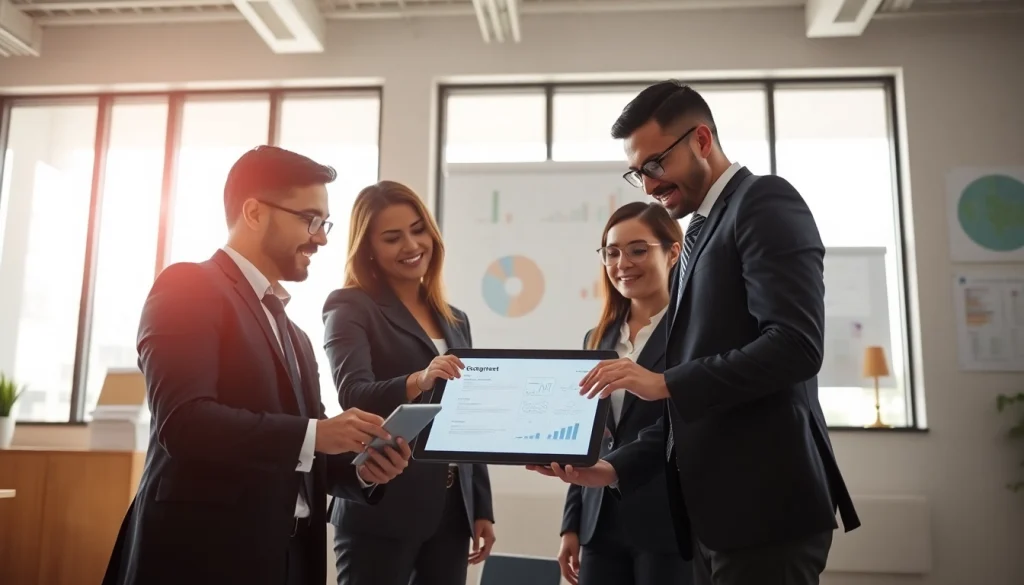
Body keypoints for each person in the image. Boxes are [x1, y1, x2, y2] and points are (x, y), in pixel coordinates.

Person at [530, 81, 861, 585]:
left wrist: (662, 382)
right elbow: (692, 405)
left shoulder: (763, 202)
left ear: (701, 140)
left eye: (656, 166)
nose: (647, 186)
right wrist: (611, 470)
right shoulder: (701, 233)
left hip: (763, 509)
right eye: (637, 172)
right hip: (712, 519)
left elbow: (796, 346)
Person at [102, 146, 412, 585]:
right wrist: (317, 434)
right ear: (253, 212)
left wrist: (362, 468)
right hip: (202, 558)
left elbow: (308, 448)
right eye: (310, 219)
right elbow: (184, 422)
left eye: (324, 223)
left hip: (288, 558)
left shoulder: (297, 335)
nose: (321, 237)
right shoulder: (188, 286)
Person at [321, 180, 496, 585]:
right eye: (392, 237)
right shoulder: (350, 306)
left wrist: (480, 506)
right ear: (368, 247)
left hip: (452, 512)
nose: (412, 245)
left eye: (418, 229)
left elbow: (467, 414)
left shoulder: (455, 319)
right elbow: (353, 393)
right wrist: (419, 378)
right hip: (383, 509)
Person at [558, 201, 692, 585]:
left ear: (672, 252)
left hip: (668, 518)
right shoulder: (597, 339)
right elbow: (584, 434)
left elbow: (684, 420)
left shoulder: (691, 332)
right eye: (612, 253)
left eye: (638, 250)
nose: (622, 263)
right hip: (600, 522)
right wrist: (572, 525)